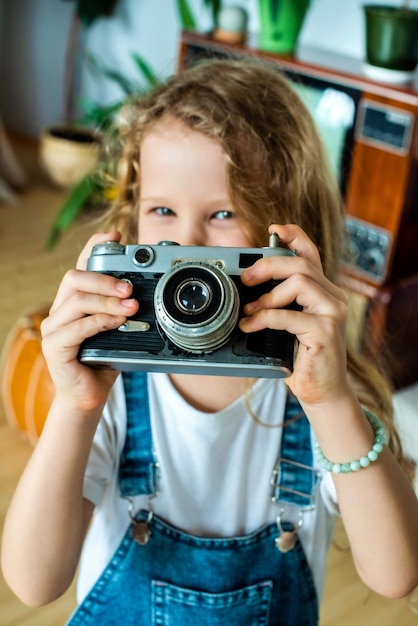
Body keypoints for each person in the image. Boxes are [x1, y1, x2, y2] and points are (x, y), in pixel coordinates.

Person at [2, 58, 418, 626]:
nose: (187, 244)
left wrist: (332, 403)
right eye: (162, 211)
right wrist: (75, 407)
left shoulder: (319, 387)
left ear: (290, 236)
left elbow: (396, 575)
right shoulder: (115, 387)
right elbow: (32, 582)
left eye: (224, 212)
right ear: (132, 229)